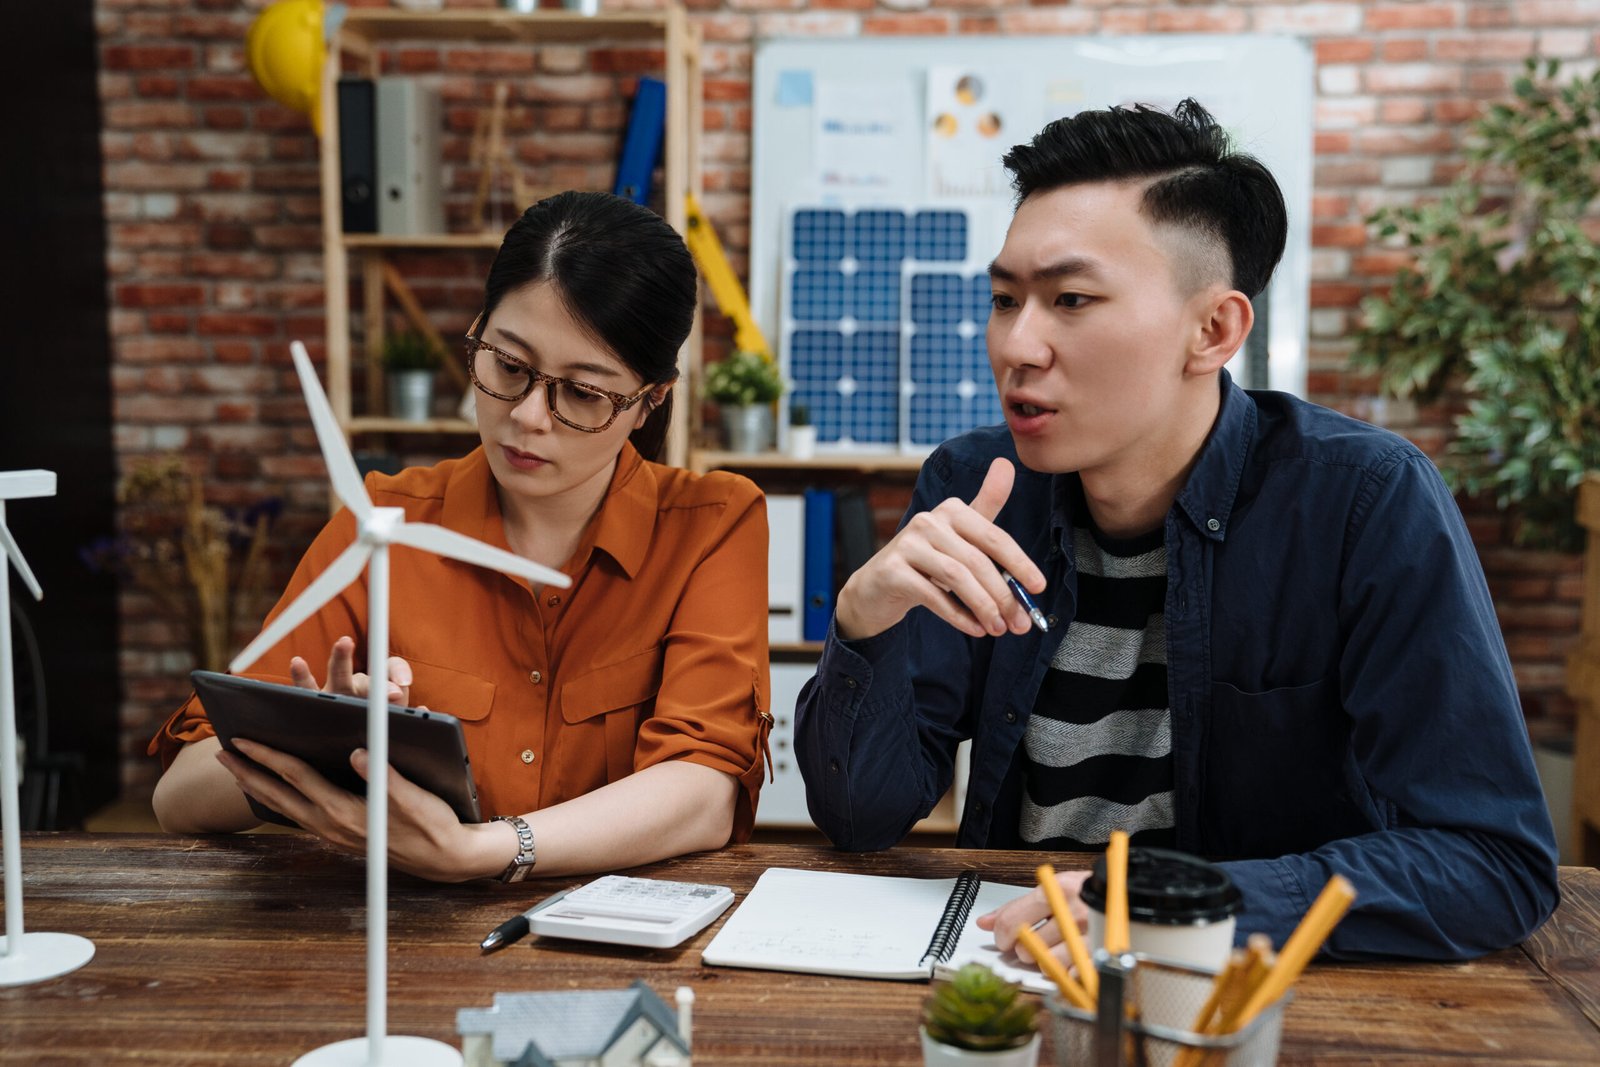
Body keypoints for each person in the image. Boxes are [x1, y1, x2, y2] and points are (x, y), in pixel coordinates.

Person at [793, 100, 1559, 960]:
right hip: (1016, 965)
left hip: (1252, 990)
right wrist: (862, 621)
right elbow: (861, 818)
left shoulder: (1363, 500)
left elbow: (1493, 861)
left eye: (1070, 298)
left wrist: (1170, 904)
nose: (1018, 344)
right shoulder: (973, 489)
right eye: (1005, 299)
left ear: (1214, 330)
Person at [151, 191, 772, 884]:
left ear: (648, 401)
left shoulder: (713, 525)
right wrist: (326, 744)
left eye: (584, 393)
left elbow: (705, 792)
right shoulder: (381, 522)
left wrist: (483, 850)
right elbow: (177, 796)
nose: (530, 417)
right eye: (508, 367)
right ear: (477, 333)